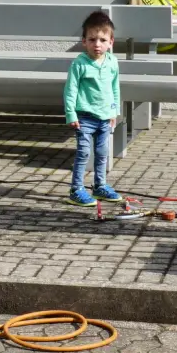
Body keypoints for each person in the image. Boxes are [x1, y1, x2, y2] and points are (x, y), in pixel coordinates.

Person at [63, 10, 122, 206]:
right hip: (84, 117)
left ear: (111, 42)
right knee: (83, 153)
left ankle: (100, 186)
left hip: (105, 117)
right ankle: (76, 189)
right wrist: (71, 114)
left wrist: (114, 111)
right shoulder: (79, 64)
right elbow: (70, 90)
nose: (97, 44)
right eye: (92, 39)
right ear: (84, 41)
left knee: (102, 153)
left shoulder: (112, 62)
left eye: (102, 40)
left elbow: (115, 88)